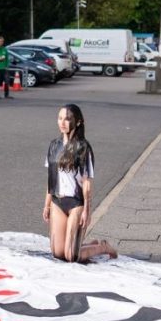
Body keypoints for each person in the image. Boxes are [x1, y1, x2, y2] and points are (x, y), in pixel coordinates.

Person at [43, 103, 117, 261]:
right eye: (60, 118)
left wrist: (87, 211)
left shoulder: (83, 148)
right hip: (57, 202)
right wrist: (47, 205)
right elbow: (51, 179)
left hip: (76, 204)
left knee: (71, 256)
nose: (62, 122)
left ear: (77, 122)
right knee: (58, 253)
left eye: (67, 119)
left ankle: (102, 247)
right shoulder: (54, 146)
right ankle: (88, 245)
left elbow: (87, 183)